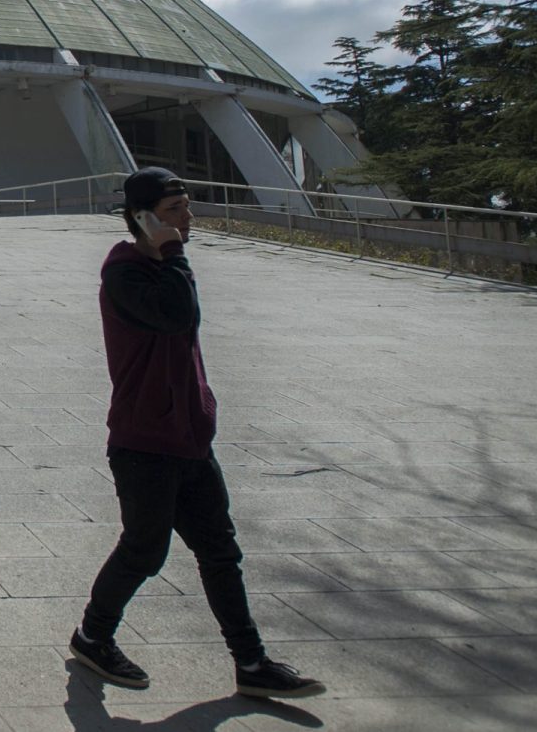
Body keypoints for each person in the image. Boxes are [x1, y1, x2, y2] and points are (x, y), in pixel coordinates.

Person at [68, 166, 326, 700]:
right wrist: (175, 254)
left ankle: (251, 663)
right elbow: (177, 316)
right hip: (144, 441)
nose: (188, 220)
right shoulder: (126, 272)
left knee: (221, 553)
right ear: (140, 218)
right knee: (144, 552)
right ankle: (93, 636)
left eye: (187, 208)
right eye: (173, 212)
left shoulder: (164, 265)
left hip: (189, 437)